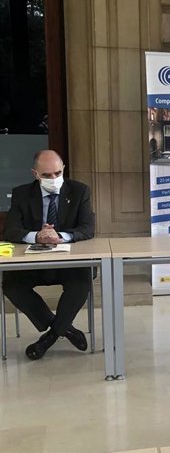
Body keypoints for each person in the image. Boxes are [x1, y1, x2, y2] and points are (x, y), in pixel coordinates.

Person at [3, 150, 95, 360]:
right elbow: (10, 231)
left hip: (68, 261)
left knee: (82, 282)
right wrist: (37, 236)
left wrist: (60, 236)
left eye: (57, 173)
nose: (54, 179)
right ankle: (64, 328)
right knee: (11, 285)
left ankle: (50, 337)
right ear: (35, 174)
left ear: (63, 170)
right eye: (47, 175)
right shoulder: (21, 193)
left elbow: (88, 228)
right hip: (33, 262)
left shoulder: (79, 191)